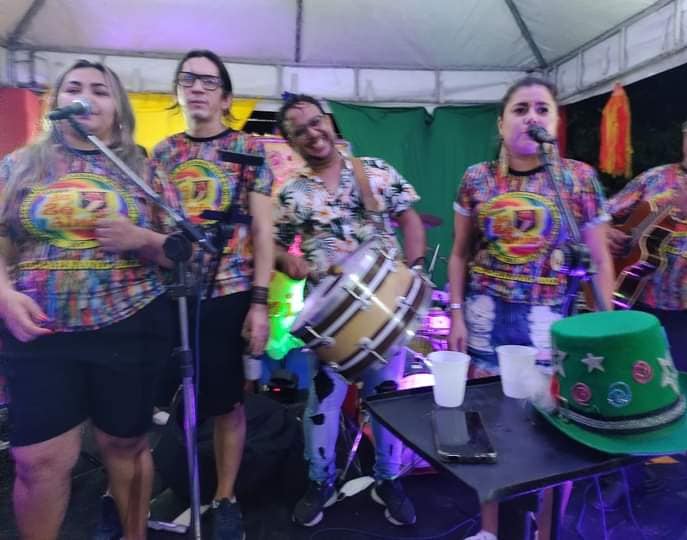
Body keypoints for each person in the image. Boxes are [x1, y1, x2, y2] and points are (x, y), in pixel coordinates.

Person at [0, 60, 176, 540]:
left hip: (129, 325)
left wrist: (140, 238)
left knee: (126, 445)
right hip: (38, 329)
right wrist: (3, 294)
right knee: (38, 460)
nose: (86, 97)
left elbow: (180, 252)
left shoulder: (144, 170)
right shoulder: (18, 166)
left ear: (118, 110)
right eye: (73, 87)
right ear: (55, 104)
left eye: (100, 90)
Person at [447, 76, 614, 540]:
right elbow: (459, 253)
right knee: (486, 426)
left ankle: (545, 531)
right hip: (486, 317)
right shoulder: (477, 178)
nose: (531, 117)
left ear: (555, 123)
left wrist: (605, 325)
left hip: (549, 321)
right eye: (520, 109)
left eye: (542, 109)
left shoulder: (578, 179)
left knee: (551, 430)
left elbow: (599, 260)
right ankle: (489, 529)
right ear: (501, 123)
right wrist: (456, 312)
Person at [274, 94, 426, 527]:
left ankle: (388, 479)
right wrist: (288, 262)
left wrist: (415, 270)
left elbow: (410, 220)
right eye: (299, 131)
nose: (312, 133)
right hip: (330, 321)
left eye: (315, 122)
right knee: (322, 403)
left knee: (387, 400)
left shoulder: (374, 170)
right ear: (291, 142)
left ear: (329, 121)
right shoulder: (292, 192)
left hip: (384, 309)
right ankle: (319, 480)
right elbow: (274, 246)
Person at [152, 49, 273, 540]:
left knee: (226, 404)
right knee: (167, 400)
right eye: (188, 79)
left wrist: (260, 303)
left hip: (229, 292)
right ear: (177, 91)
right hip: (171, 293)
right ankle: (167, 484)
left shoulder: (248, 150)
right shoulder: (162, 153)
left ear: (226, 98)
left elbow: (263, 231)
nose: (197, 87)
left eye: (209, 81)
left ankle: (225, 497)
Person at [607, 102, 687, 387]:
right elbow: (601, 215)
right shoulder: (655, 177)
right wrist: (607, 231)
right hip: (637, 301)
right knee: (636, 388)